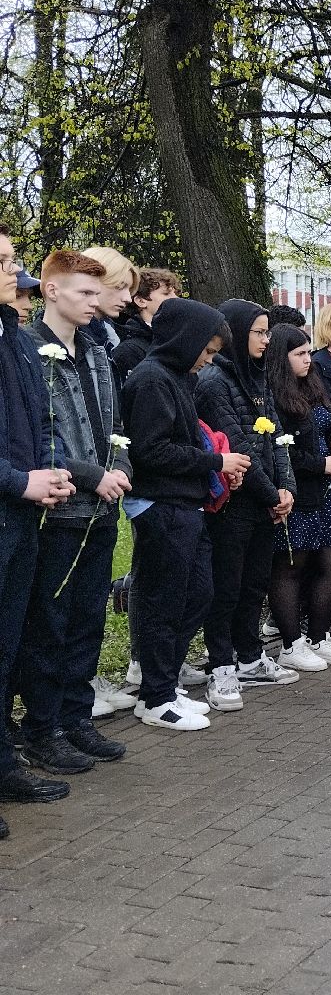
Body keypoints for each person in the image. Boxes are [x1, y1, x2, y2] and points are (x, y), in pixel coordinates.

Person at [17, 251, 132, 774]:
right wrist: (91, 475)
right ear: (51, 291)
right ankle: (42, 729)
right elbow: (39, 437)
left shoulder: (97, 352)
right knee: (51, 622)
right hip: (59, 511)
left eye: (96, 292)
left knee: (88, 617)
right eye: (84, 292)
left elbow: (115, 425)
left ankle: (76, 716)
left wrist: (119, 467)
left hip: (102, 511)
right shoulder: (28, 351)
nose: (94, 302)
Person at [123, 297, 250, 731]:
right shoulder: (151, 380)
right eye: (206, 350)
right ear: (185, 339)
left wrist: (214, 464)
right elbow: (151, 450)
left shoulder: (177, 377)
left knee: (197, 594)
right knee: (164, 601)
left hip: (186, 503)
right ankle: (156, 696)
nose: (208, 360)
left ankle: (164, 684)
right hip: (162, 505)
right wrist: (215, 462)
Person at [0, 228, 78, 825]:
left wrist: (47, 473)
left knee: (7, 646)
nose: (14, 271)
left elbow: (39, 423)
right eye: (3, 262)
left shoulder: (15, 340)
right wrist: (17, 480)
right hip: (10, 502)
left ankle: (4, 764)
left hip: (19, 519)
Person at [195, 300, 299, 710]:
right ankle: (221, 665)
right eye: (258, 332)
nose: (266, 339)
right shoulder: (215, 383)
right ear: (237, 334)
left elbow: (278, 438)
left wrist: (286, 488)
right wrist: (272, 494)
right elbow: (236, 444)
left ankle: (250, 657)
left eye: (267, 331)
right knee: (227, 587)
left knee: (255, 584)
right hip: (234, 502)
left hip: (265, 502)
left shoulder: (260, 379)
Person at [266, 323, 331, 673]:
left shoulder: (312, 384)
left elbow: (325, 426)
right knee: (293, 565)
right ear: (282, 357)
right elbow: (279, 449)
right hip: (298, 490)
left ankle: (319, 635)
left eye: (308, 352)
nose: (308, 359)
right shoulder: (274, 395)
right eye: (299, 354)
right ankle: (292, 643)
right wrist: (319, 464)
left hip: (328, 491)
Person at [112, 267, 181, 387]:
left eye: (175, 293)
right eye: (166, 293)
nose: (176, 298)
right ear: (141, 301)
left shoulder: (175, 340)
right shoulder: (129, 350)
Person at [79, 246, 137, 355]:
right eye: (119, 287)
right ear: (92, 280)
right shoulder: (68, 337)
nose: (128, 299)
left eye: (129, 290)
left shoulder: (111, 336)